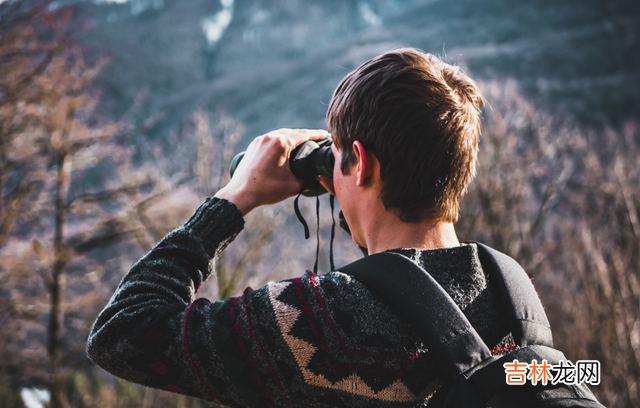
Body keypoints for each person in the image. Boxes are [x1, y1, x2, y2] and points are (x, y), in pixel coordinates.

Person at [87, 48, 514, 407]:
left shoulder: (319, 327)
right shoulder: (513, 301)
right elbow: (407, 284)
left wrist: (234, 198)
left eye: (337, 154)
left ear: (360, 163)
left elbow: (122, 332)